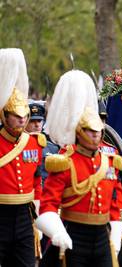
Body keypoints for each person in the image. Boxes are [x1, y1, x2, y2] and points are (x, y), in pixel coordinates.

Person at [35, 70, 122, 267]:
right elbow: (48, 206)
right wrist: (57, 231)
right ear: (79, 131)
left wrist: (116, 235)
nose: (95, 136)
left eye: (98, 132)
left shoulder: (110, 162)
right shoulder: (64, 163)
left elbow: (115, 206)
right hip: (73, 234)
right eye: (90, 132)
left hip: (102, 238)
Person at [0, 48, 45, 267]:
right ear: (4, 116)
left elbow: (37, 179)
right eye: (16, 117)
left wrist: (41, 214)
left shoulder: (35, 143)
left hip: (25, 217)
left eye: (24, 116)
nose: (22, 120)